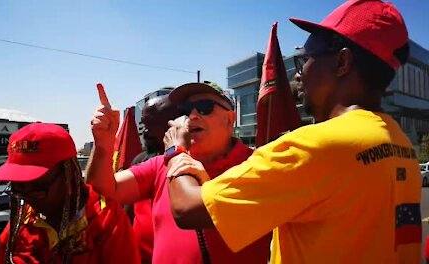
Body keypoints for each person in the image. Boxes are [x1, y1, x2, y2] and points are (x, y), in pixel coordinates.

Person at [165, 1, 421, 263]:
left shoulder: (316, 146)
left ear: (342, 61)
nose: (298, 75)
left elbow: (187, 209)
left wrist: (176, 150)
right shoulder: (400, 143)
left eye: (304, 59)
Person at [87, 81, 270, 264]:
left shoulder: (256, 165)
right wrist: (103, 144)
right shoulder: (160, 164)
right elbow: (105, 188)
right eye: (186, 109)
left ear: (230, 119)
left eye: (204, 107)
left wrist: (175, 152)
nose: (193, 115)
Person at [0, 123, 139, 264]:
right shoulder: (19, 224)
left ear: (69, 175)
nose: (27, 197)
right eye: (18, 188)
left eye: (37, 187)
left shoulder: (105, 219)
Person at [130, 93, 182, 263]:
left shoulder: (193, 162)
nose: (145, 131)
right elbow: (127, 211)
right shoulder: (140, 160)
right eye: (144, 124)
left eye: (151, 124)